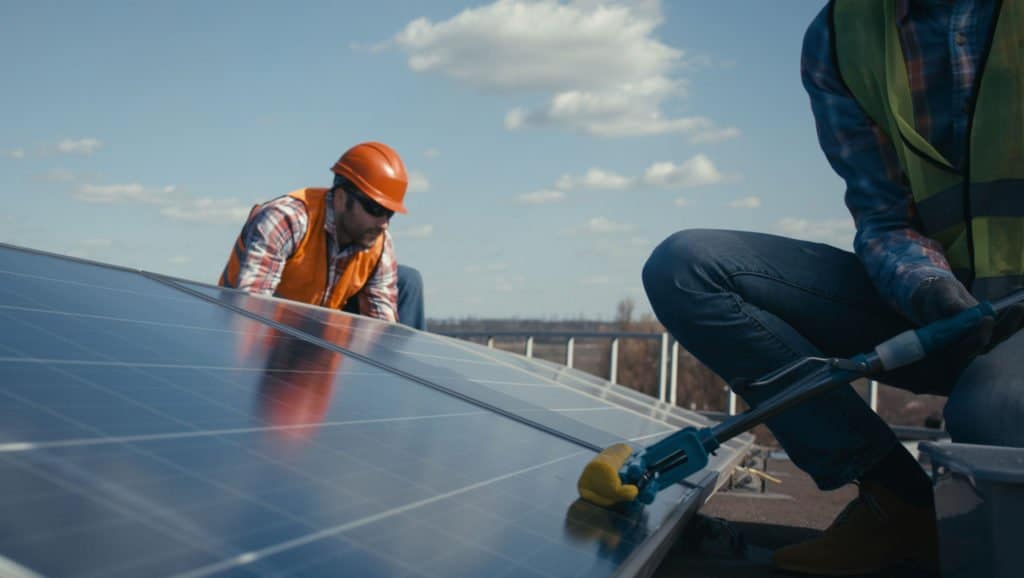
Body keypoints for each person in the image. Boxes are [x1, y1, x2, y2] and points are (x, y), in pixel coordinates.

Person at [641, 1, 1024, 575]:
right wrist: (925, 285)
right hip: (947, 309)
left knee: (992, 415)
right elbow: (885, 218)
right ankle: (898, 502)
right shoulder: (841, 35)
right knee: (688, 267)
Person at [219, 142, 426, 331]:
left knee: (407, 280)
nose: (383, 223)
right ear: (341, 198)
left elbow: (381, 325)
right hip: (257, 325)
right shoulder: (287, 219)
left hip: (316, 332)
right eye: (374, 209)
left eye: (389, 213)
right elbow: (250, 310)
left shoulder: (378, 241)